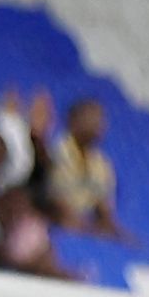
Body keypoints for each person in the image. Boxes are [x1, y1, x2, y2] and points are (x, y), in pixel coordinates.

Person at [40, 95, 128, 240]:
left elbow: (104, 209)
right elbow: (54, 203)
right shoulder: (55, 152)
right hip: (52, 226)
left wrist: (113, 231)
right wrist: (88, 229)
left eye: (100, 119)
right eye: (92, 118)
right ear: (73, 121)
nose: (99, 125)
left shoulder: (102, 165)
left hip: (84, 228)